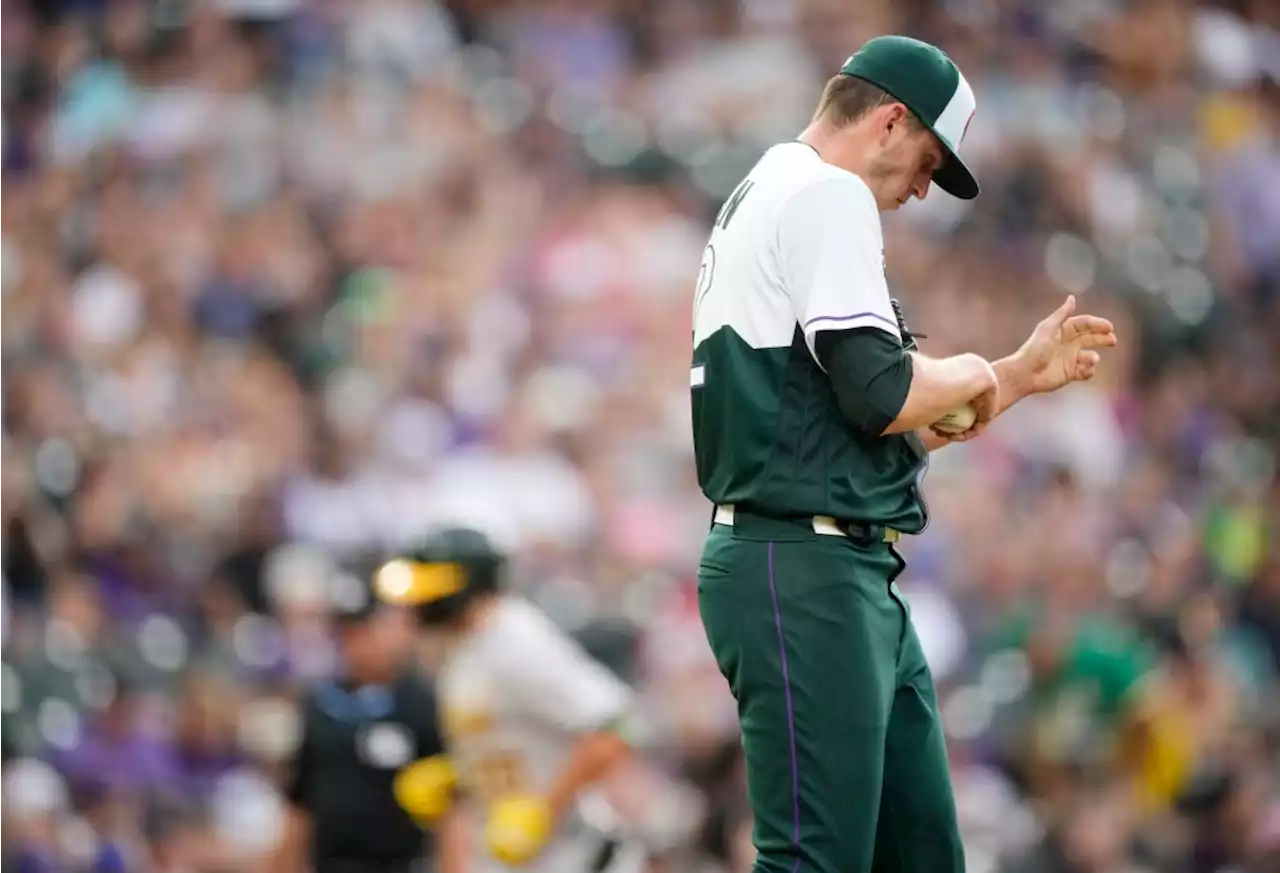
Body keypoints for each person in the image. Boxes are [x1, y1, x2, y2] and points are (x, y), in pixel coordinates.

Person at [688, 34, 1119, 873]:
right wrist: (964, 368)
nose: (924, 190)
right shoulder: (825, 194)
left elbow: (855, 425)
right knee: (816, 862)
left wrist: (1011, 378)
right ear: (889, 121)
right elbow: (883, 394)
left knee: (921, 857)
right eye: (930, 161)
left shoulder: (772, 189)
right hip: (801, 561)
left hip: (828, 558)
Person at [374, 527, 642, 873]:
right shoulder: (467, 644)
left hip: (578, 858)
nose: (415, 603)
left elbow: (615, 727)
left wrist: (544, 809)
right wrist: (459, 774)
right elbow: (515, 740)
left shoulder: (515, 639)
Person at [273, 567, 462, 873]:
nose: (357, 643)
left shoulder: (419, 704)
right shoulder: (321, 704)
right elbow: (301, 801)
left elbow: (452, 809)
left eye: (366, 630)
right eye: (347, 633)